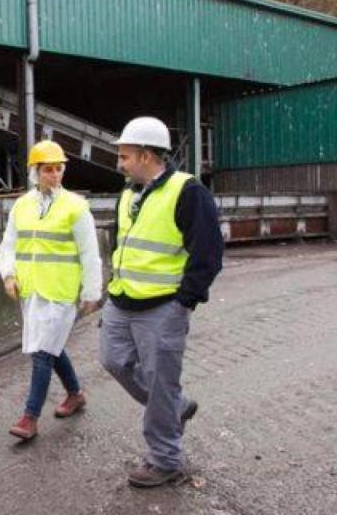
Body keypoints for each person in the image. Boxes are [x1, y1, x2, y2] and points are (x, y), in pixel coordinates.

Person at [99, 116, 223, 487]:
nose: (120, 163)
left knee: (160, 382)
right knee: (113, 361)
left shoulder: (188, 192)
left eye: (125, 156)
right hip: (121, 301)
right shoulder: (128, 192)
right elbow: (124, 245)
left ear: (147, 154)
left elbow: (209, 252)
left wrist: (185, 300)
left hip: (163, 307)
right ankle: (177, 408)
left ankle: (166, 459)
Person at [0, 140, 102, 441]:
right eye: (48, 170)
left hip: (61, 292)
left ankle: (29, 418)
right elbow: (9, 244)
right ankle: (75, 394)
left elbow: (89, 252)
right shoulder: (21, 205)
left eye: (59, 169)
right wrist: (8, 275)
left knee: (42, 352)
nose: (55, 175)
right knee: (52, 347)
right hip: (31, 290)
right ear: (35, 172)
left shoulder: (76, 207)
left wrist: (91, 293)